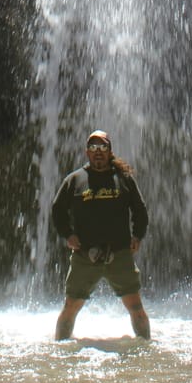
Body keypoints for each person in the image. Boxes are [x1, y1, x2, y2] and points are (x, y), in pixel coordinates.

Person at [51, 129, 150, 340]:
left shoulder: (124, 179)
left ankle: (146, 349)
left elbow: (140, 209)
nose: (98, 152)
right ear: (87, 152)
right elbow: (57, 209)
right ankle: (59, 351)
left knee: (136, 306)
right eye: (94, 147)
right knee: (70, 307)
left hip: (120, 254)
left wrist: (137, 235)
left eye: (103, 147)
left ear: (109, 151)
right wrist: (67, 234)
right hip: (85, 256)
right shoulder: (75, 179)